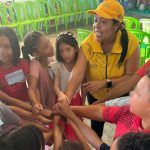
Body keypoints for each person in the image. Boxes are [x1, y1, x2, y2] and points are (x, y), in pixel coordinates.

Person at [62, 0, 140, 138]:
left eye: (103, 22)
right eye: (95, 20)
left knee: (123, 133)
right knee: (96, 128)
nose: (96, 26)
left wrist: (105, 82)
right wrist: (66, 99)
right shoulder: (88, 44)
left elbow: (130, 78)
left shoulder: (131, 44)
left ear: (116, 25)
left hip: (121, 94)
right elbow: (77, 73)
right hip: (95, 95)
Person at [53, 68, 150, 150]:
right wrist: (69, 113)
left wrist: (68, 114)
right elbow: (99, 112)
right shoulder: (128, 112)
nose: (131, 94)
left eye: (138, 93)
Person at [0, 27, 53, 124]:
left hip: (29, 106)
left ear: (14, 47)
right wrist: (32, 108)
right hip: (11, 113)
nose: (1, 51)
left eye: (7, 47)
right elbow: (7, 99)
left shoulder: (22, 64)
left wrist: (37, 103)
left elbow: (33, 87)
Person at [51, 31, 88, 150]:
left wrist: (83, 104)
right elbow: (55, 86)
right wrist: (60, 94)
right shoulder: (58, 66)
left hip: (77, 100)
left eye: (68, 49)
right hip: (62, 100)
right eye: (61, 51)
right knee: (62, 125)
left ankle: (75, 145)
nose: (65, 54)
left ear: (76, 49)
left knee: (75, 126)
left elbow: (83, 85)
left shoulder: (81, 65)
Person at [22, 31, 56, 114]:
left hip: (57, 101)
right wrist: (36, 104)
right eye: (45, 47)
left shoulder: (51, 59)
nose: (51, 46)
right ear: (36, 53)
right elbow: (31, 89)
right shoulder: (35, 65)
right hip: (47, 107)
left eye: (48, 42)